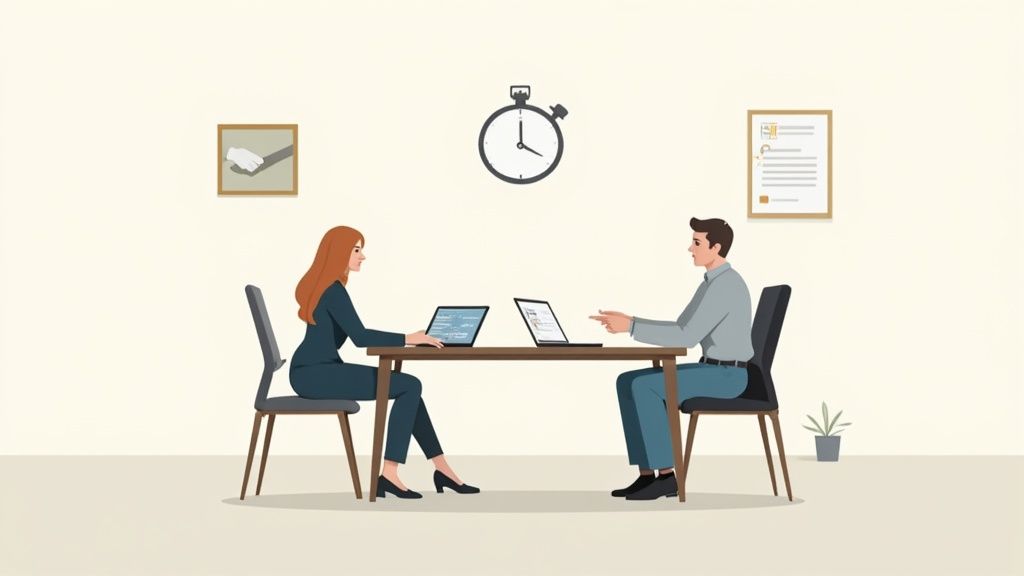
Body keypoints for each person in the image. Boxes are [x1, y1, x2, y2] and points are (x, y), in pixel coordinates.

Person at [289, 226, 479, 499]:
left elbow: (358, 336)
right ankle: (390, 474)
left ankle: (442, 468)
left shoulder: (330, 288)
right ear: (338, 253)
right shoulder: (333, 290)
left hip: (314, 370)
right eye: (356, 250)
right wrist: (409, 338)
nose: (362, 256)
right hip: (314, 374)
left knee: (409, 388)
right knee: (409, 386)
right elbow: (360, 337)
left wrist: (409, 338)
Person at [589, 217, 754, 500]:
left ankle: (666, 477)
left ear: (716, 247)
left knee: (644, 386)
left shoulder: (726, 285)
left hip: (728, 377)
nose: (690, 248)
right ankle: (646, 475)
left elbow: (686, 337)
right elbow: (681, 327)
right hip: (714, 370)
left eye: (697, 242)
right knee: (627, 381)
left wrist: (630, 327)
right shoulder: (711, 283)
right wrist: (632, 321)